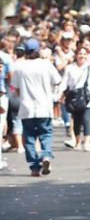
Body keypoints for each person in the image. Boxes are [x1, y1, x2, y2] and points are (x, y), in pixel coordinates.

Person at [11, 38, 62, 176]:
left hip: (26, 108)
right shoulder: (46, 65)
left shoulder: (20, 67)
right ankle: (46, 155)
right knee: (46, 134)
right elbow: (58, 80)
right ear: (38, 50)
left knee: (29, 137)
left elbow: (15, 88)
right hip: (44, 106)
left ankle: (34, 167)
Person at [61, 47, 90, 151]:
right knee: (77, 120)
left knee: (86, 118)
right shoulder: (70, 68)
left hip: (89, 98)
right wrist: (61, 94)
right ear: (76, 55)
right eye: (80, 53)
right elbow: (65, 82)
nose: (82, 56)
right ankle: (78, 141)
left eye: (84, 54)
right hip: (75, 98)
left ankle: (87, 142)